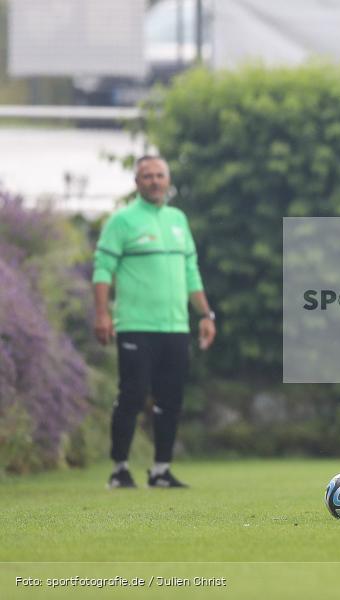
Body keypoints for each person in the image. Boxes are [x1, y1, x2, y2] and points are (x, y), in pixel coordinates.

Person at [93, 156, 216, 489]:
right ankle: (120, 469)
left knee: (171, 399)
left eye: (160, 176)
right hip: (136, 325)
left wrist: (205, 314)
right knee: (132, 396)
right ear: (137, 182)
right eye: (147, 176)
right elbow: (103, 268)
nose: (154, 181)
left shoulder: (178, 219)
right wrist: (103, 313)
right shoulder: (122, 221)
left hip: (175, 327)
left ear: (168, 180)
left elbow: (191, 272)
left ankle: (161, 470)